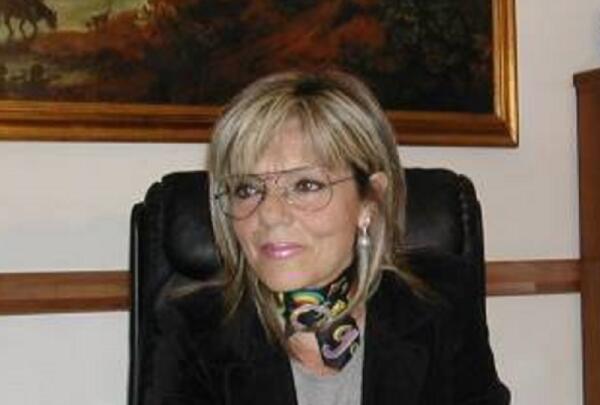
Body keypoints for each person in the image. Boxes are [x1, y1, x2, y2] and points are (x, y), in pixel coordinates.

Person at [148, 70, 510, 404]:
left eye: (306, 185)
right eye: (247, 189)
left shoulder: (439, 301)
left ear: (370, 201)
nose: (269, 214)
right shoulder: (194, 333)